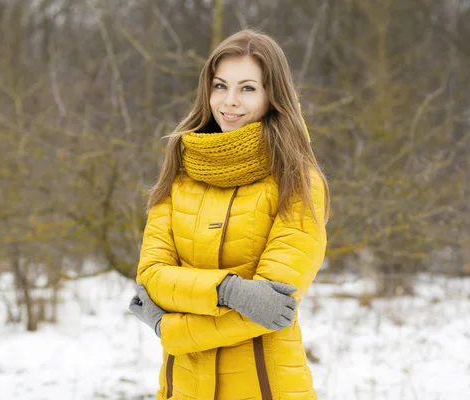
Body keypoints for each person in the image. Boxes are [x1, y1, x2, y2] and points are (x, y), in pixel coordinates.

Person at [129, 28, 330, 400]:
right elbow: (152, 278)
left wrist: (166, 327)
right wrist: (231, 291)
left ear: (274, 94)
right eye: (220, 86)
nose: (230, 102)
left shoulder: (298, 182)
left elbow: (271, 306)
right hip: (182, 389)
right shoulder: (179, 171)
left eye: (248, 88)